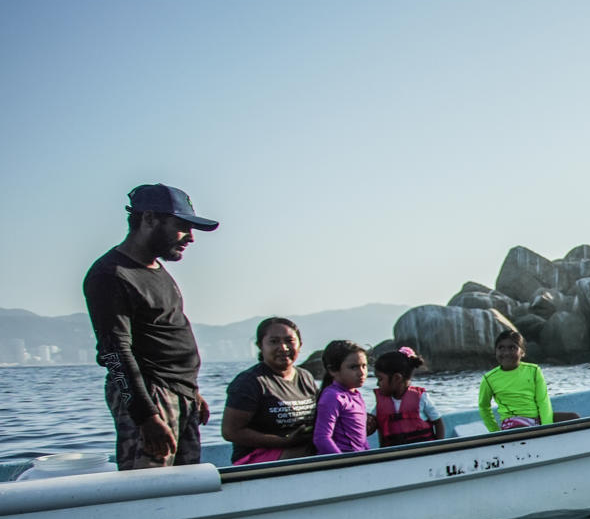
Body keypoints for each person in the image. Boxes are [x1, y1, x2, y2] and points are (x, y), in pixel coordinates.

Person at [82, 183, 218, 469]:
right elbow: (115, 353)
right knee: (150, 488)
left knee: (187, 485)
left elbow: (165, 334)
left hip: (181, 393)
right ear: (148, 219)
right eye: (182, 226)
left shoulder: (158, 271)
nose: (190, 238)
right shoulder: (110, 275)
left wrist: (191, 391)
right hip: (151, 395)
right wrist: (146, 417)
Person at [221, 317, 320, 464]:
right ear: (260, 346)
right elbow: (230, 432)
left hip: (298, 451)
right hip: (256, 458)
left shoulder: (305, 377)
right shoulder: (250, 381)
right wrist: (283, 442)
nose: (283, 347)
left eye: (289, 341)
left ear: (300, 344)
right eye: (274, 342)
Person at [477, 330, 552, 431]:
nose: (506, 353)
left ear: (522, 352)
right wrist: (494, 431)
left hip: (536, 419)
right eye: (501, 348)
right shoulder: (489, 379)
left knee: (572, 417)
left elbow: (543, 401)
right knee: (520, 430)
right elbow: (484, 407)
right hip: (512, 423)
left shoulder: (534, 371)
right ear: (495, 351)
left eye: (512, 348)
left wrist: (548, 427)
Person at [373, 347, 445, 446]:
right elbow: (378, 427)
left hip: (422, 453)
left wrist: (438, 447)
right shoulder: (380, 405)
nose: (377, 384)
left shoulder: (421, 398)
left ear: (396, 378)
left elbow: (438, 422)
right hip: (395, 456)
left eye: (380, 379)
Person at [312, 339, 373, 455]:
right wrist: (342, 462)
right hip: (341, 465)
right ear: (333, 370)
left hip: (356, 462)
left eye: (364, 366)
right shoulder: (333, 396)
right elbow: (321, 438)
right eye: (353, 367)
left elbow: (362, 440)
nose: (362, 372)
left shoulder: (356, 395)